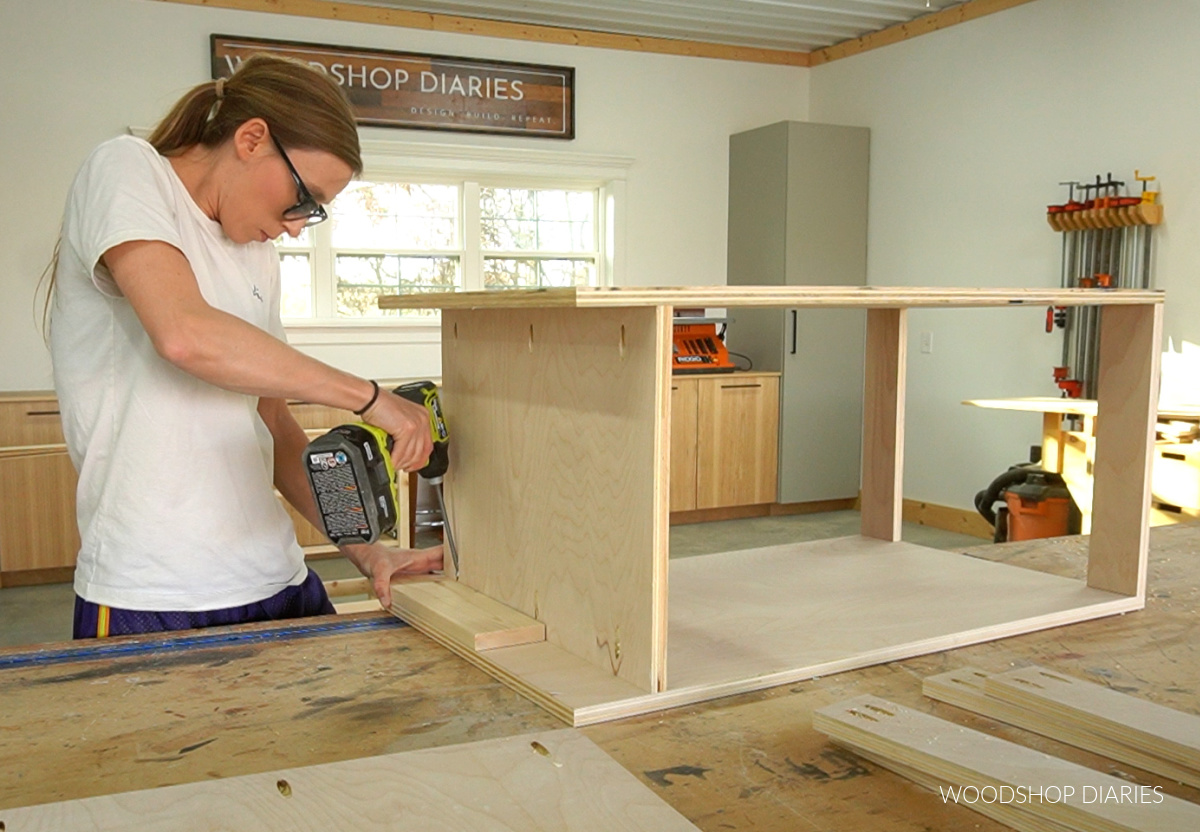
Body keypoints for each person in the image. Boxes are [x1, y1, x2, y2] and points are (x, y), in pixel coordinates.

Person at [47, 55, 442, 639]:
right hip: (156, 594)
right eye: (302, 198)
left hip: (279, 579)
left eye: (314, 213)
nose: (296, 225)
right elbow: (183, 334)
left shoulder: (254, 251)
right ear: (252, 139)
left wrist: (367, 551)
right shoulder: (127, 169)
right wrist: (368, 397)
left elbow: (275, 427)